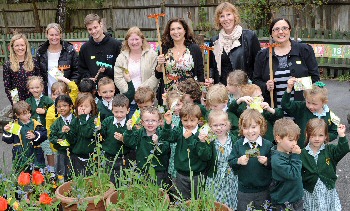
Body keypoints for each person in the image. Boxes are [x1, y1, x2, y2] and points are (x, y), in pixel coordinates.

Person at [253, 18, 320, 108]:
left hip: (301, 110)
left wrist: (297, 84)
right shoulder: (263, 55)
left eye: (284, 28)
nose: (281, 32)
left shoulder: (304, 50)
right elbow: (255, 81)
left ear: (289, 30)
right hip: (274, 111)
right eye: (276, 29)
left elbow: (315, 79)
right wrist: (266, 86)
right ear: (271, 33)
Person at [164, 103, 212, 200]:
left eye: (192, 120)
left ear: (198, 120)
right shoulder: (179, 131)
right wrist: (168, 124)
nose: (189, 124)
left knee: (197, 201)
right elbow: (167, 137)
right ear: (181, 120)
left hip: (197, 175)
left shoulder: (203, 134)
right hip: (181, 174)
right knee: (182, 200)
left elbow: (205, 156)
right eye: (185, 120)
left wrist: (192, 140)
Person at [228, 109, 272, 211]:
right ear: (241, 129)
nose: (250, 131)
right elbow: (231, 161)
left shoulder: (268, 145)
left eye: (253, 127)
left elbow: (274, 165)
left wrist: (267, 162)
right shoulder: (238, 144)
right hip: (244, 191)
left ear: (261, 127)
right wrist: (238, 161)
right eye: (246, 128)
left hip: (264, 190)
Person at [301, 119, 349, 211]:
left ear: (326, 136)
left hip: (328, 190)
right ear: (307, 134)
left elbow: (343, 149)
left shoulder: (330, 150)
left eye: (321, 135)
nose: (317, 138)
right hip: (311, 192)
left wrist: (342, 135)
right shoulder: (302, 153)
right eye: (313, 135)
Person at [209, 2, 260, 84]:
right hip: (223, 89)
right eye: (222, 16)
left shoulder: (249, 36)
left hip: (244, 88)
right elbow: (212, 67)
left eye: (228, 14)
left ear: (234, 16)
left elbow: (258, 64)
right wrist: (210, 78)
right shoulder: (215, 41)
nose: (226, 19)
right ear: (218, 20)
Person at [156, 18, 204, 104]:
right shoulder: (164, 48)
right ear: (169, 32)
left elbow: (200, 72)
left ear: (185, 30)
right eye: (172, 29)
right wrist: (159, 65)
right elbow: (158, 74)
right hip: (168, 91)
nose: (176, 32)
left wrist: (201, 93)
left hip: (188, 92)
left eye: (179, 28)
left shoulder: (194, 49)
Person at [114, 27, 159, 115]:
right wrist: (130, 92)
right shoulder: (121, 57)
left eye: (136, 39)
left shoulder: (152, 55)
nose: (134, 42)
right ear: (127, 41)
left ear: (142, 39)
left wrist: (141, 92)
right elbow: (118, 78)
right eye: (131, 40)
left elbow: (155, 76)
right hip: (129, 102)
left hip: (147, 101)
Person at [281, 80, 338, 147]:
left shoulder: (331, 115)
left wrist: (323, 137)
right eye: (308, 102)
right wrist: (289, 89)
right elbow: (285, 105)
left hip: (319, 151)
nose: (310, 106)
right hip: (301, 150)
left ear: (324, 102)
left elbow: (334, 132)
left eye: (314, 104)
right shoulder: (302, 108)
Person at [124, 106, 171, 186]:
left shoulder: (162, 134)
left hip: (158, 171)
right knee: (142, 192)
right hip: (142, 170)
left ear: (159, 122)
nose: (150, 123)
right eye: (147, 120)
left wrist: (157, 143)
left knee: (157, 192)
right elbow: (130, 143)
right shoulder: (139, 133)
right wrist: (129, 130)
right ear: (142, 123)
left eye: (153, 120)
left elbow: (165, 150)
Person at [205, 110, 238, 210]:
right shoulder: (209, 139)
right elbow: (205, 156)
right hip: (215, 176)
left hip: (231, 175)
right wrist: (203, 143)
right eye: (215, 125)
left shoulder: (233, 138)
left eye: (222, 125)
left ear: (227, 124)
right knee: (215, 201)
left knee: (230, 199)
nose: (219, 128)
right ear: (210, 126)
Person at [2, 101, 47, 172]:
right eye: (24, 114)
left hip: (35, 154)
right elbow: (9, 140)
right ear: (17, 115)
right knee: (23, 176)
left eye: (29, 112)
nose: (28, 115)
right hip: (20, 155)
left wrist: (35, 135)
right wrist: (7, 131)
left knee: (37, 175)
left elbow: (44, 135)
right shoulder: (14, 125)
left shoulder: (35, 123)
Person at [36, 23, 79, 96]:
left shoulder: (70, 51)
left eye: (56, 34)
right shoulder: (41, 52)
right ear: (47, 35)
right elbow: (38, 73)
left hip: (65, 94)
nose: (54, 37)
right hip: (47, 94)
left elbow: (77, 72)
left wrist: (68, 88)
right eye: (51, 35)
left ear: (61, 35)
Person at [99, 94, 133, 184]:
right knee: (108, 181)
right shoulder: (108, 121)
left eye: (122, 112)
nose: (119, 115)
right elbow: (101, 135)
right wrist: (99, 128)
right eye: (116, 112)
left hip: (123, 158)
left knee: (122, 182)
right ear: (112, 110)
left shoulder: (129, 124)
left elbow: (132, 143)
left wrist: (123, 139)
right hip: (108, 156)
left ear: (128, 111)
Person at [271, 118, 303, 211]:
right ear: (278, 138)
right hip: (284, 203)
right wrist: (296, 156)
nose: (295, 143)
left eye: (296, 140)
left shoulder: (288, 151)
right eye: (291, 140)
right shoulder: (277, 160)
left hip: (295, 198)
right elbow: (294, 174)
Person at [78, 14, 122, 82]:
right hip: (93, 90)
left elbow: (121, 69)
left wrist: (108, 70)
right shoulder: (85, 48)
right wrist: (88, 78)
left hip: (114, 89)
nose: (93, 31)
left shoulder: (116, 45)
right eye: (90, 29)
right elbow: (81, 69)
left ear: (101, 25)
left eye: (95, 27)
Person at [25, 76, 54, 175]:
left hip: (45, 129)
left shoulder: (47, 100)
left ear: (42, 88)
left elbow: (54, 112)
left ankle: (51, 168)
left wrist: (45, 111)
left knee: (48, 149)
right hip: (34, 130)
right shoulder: (28, 101)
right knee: (36, 149)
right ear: (29, 89)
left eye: (37, 87)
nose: (35, 90)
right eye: (32, 88)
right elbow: (24, 113)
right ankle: (40, 167)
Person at [66, 93, 98, 175]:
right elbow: (71, 140)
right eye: (80, 106)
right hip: (77, 157)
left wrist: (83, 118)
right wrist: (68, 132)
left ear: (91, 108)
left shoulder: (93, 121)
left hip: (91, 156)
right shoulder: (75, 121)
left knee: (90, 179)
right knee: (78, 178)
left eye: (86, 106)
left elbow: (87, 133)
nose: (83, 108)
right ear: (76, 107)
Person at [3, 33, 40, 105]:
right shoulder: (8, 65)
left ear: (26, 46)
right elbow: (8, 86)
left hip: (34, 100)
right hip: (18, 102)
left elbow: (40, 81)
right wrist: (16, 103)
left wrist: (39, 99)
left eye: (22, 45)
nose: (20, 48)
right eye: (17, 45)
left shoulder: (34, 62)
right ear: (12, 47)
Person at [49, 95, 75, 182]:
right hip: (62, 152)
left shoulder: (76, 120)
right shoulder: (56, 123)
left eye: (64, 105)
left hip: (74, 151)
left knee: (74, 171)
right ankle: (61, 187)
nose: (61, 108)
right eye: (59, 106)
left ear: (71, 106)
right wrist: (57, 140)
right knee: (61, 171)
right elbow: (51, 136)